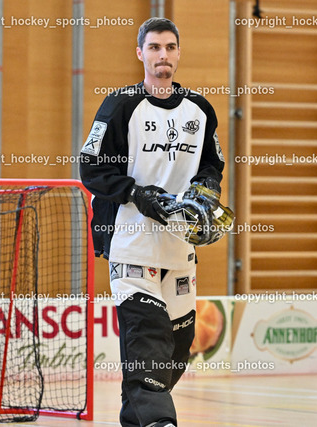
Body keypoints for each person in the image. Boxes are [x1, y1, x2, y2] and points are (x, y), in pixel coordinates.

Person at [80, 17, 225, 427]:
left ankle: (137, 417)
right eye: (155, 47)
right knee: (149, 338)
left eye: (170, 47)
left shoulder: (200, 109)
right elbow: (91, 168)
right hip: (131, 245)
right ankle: (161, 422)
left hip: (179, 251)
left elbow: (212, 164)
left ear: (178, 54)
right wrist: (135, 193)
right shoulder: (121, 105)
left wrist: (207, 187)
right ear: (140, 53)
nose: (163, 55)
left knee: (177, 348)